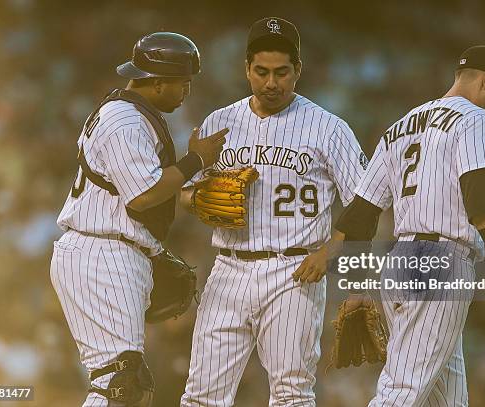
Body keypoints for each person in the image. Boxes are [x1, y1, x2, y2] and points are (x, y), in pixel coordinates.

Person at [179, 17, 368, 406]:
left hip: (295, 271)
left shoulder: (328, 128)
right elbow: (184, 193)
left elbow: (365, 203)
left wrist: (331, 252)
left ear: (298, 70)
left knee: (291, 394)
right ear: (246, 68)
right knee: (200, 395)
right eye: (261, 71)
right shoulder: (220, 121)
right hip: (229, 268)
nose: (271, 83)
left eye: (282, 72)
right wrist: (199, 198)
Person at [334, 45, 485, 406]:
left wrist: (356, 286)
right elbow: (480, 200)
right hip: (441, 264)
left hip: (399, 261)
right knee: (401, 393)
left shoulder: (399, 126)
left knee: (449, 400)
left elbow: (360, 212)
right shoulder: (477, 118)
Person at [50, 32, 227, 407]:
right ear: (158, 81)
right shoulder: (125, 120)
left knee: (125, 383)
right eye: (183, 83)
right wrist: (196, 159)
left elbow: (145, 193)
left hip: (106, 251)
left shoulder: (127, 112)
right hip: (103, 254)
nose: (186, 92)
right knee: (120, 384)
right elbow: (143, 196)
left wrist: (193, 194)